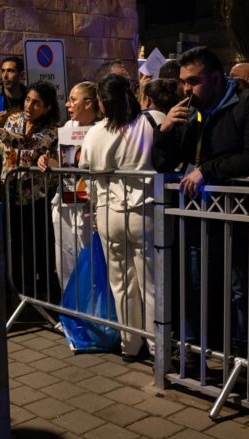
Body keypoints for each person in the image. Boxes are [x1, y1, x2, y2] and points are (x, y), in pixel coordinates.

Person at [152, 46, 249, 364]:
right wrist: (164, 131)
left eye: (193, 81)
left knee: (239, 290)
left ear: (217, 79)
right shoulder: (188, 111)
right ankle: (193, 354)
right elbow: (163, 163)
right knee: (193, 285)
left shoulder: (247, 104)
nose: (186, 89)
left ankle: (239, 360)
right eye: (183, 82)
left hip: (238, 217)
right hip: (197, 215)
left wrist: (207, 170)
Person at [78, 74, 170, 362]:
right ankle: (157, 348)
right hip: (144, 210)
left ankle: (129, 344)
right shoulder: (151, 120)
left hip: (108, 213)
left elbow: (85, 167)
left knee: (120, 283)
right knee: (152, 284)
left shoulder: (95, 133)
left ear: (101, 103)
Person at [0, 80, 61, 301]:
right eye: (28, 100)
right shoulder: (14, 120)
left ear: (47, 108)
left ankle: (38, 295)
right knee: (12, 245)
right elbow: (7, 150)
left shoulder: (51, 130)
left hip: (35, 198)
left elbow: (28, 143)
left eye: (37, 103)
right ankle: (15, 292)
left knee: (35, 246)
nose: (29, 106)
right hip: (9, 191)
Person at [37, 81, 100, 290]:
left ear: (88, 103)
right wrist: (46, 162)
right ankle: (69, 306)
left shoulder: (102, 129)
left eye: (73, 100)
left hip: (89, 206)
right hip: (66, 201)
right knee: (65, 260)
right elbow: (63, 164)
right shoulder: (68, 128)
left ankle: (91, 307)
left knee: (89, 262)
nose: (67, 105)